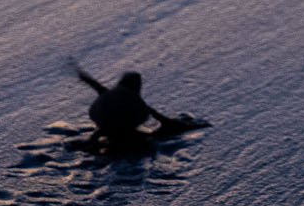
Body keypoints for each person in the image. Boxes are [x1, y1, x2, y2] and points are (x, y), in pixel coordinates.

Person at [71, 64, 205, 150]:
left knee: (104, 129)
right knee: (143, 140)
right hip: (126, 129)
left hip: (103, 123)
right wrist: (183, 124)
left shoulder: (109, 92)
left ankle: (92, 141)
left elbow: (94, 83)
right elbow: (163, 119)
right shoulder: (135, 99)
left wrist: (79, 73)